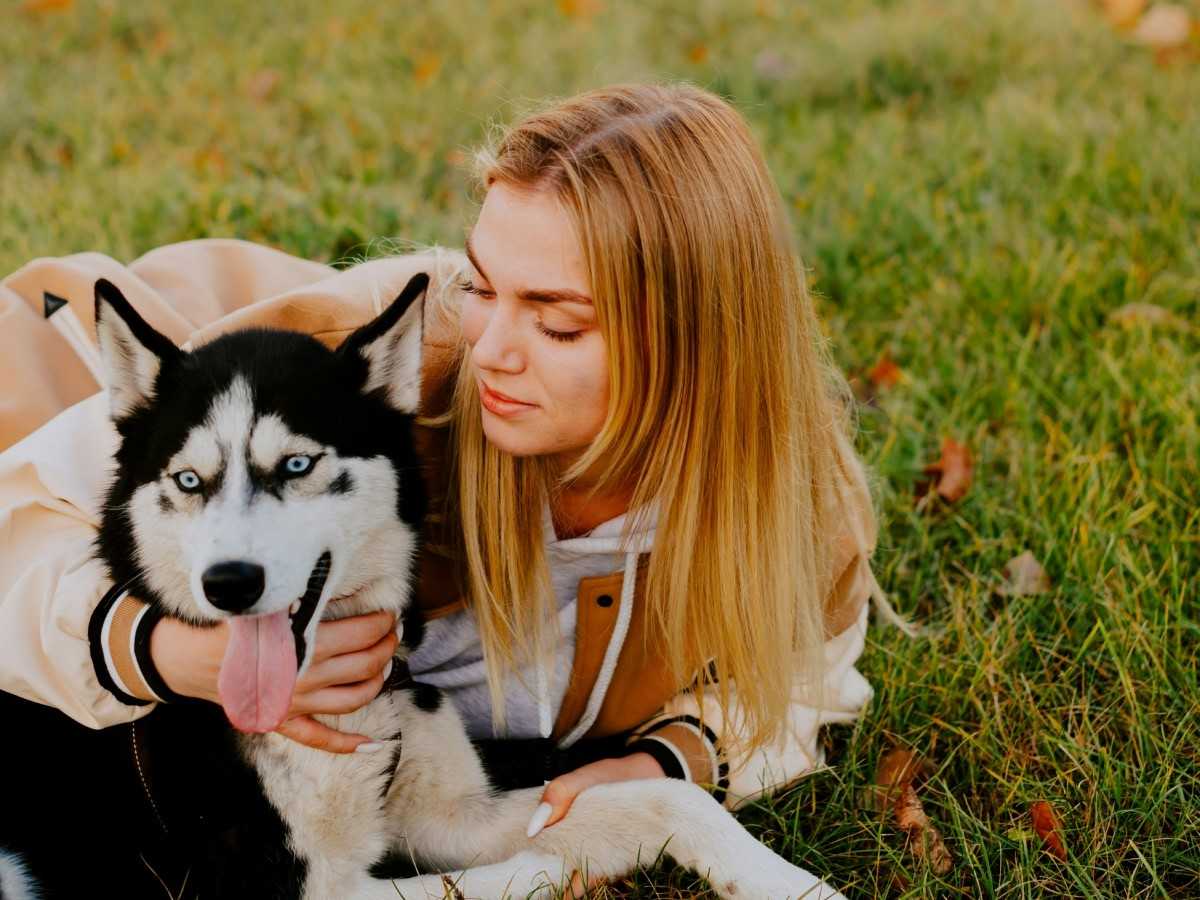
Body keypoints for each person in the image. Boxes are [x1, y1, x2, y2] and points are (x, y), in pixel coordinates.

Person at [0, 82, 903, 890]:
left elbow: (808, 679)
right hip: (48, 382)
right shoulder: (364, 364)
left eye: (557, 324)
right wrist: (168, 652)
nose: (492, 348)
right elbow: (19, 523)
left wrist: (674, 764)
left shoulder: (787, 494)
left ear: (693, 346)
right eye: (483, 283)